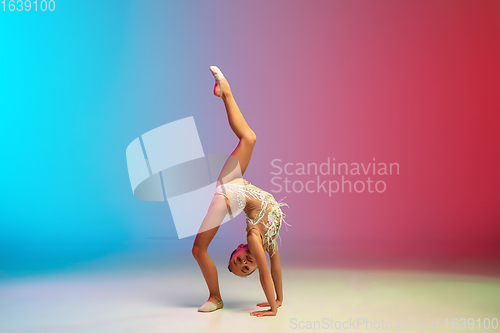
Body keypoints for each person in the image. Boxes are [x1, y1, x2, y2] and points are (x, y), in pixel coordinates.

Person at [191, 66, 290, 317]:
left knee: (198, 249)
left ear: (239, 249)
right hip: (236, 185)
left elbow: (267, 273)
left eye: (239, 263)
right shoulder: (265, 243)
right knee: (249, 138)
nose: (244, 262)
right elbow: (273, 270)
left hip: (228, 194)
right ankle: (225, 91)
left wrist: (275, 306)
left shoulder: (255, 237)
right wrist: (277, 302)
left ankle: (215, 297)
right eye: (245, 266)